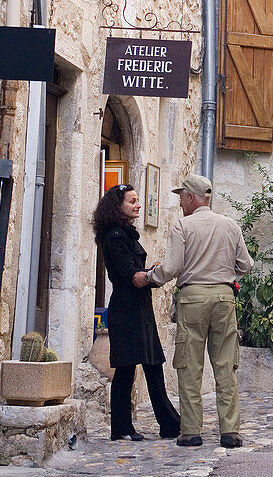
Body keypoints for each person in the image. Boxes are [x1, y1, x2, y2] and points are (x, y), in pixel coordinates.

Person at [134, 175, 254, 448]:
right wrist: (223, 271)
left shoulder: (182, 226)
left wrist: (150, 277)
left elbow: (173, 267)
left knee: (189, 366)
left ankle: (190, 432)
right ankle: (230, 431)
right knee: (225, 367)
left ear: (190, 196)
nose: (180, 202)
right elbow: (246, 265)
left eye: (181, 197)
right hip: (224, 297)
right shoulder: (230, 225)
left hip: (192, 298)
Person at [93, 184, 181, 442]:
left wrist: (152, 274)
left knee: (152, 364)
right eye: (132, 201)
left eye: (137, 200)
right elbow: (132, 276)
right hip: (126, 308)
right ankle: (123, 428)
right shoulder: (115, 237)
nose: (138, 205)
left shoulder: (126, 235)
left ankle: (168, 424)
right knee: (127, 368)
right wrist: (159, 274)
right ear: (118, 206)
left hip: (139, 307)